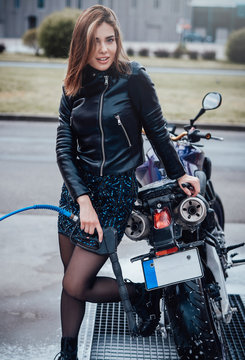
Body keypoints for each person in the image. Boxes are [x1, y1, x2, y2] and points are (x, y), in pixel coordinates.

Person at [55, 5, 200, 360]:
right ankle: (68, 354)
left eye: (110, 39)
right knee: (70, 283)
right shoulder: (73, 84)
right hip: (76, 194)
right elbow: (64, 148)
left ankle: (138, 294)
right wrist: (82, 199)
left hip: (115, 192)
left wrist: (179, 171)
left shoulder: (134, 78)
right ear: (82, 45)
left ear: (118, 40)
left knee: (76, 283)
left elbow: (157, 131)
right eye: (95, 42)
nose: (104, 49)